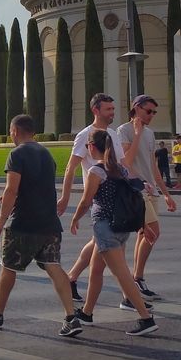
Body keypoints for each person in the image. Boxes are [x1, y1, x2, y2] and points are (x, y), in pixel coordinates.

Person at [0, 115, 82, 337]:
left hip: (24, 223)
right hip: (50, 223)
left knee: (9, 266)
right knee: (53, 266)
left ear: (14, 131)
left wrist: (0, 222)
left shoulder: (17, 154)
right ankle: (71, 317)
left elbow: (11, 189)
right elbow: (36, 187)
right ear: (33, 131)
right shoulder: (46, 154)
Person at [69, 128, 158, 336]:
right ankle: (87, 313)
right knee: (96, 270)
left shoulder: (96, 171)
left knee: (122, 274)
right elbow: (134, 198)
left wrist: (75, 218)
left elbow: (86, 201)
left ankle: (146, 318)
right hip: (121, 226)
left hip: (104, 226)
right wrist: (144, 225)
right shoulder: (120, 169)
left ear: (91, 147)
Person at [56, 93, 121, 304]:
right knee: (110, 247)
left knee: (99, 244)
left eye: (113, 109)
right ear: (95, 110)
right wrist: (65, 197)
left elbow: (121, 165)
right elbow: (71, 167)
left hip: (117, 197)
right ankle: (129, 294)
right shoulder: (86, 135)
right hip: (99, 199)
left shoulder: (113, 133)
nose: (112, 113)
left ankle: (71, 278)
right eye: (108, 109)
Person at [115, 95, 177, 303]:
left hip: (151, 190)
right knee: (153, 233)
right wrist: (137, 134)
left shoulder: (150, 134)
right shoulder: (124, 131)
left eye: (154, 112)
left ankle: (137, 279)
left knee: (145, 235)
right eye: (148, 111)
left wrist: (166, 194)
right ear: (136, 109)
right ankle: (137, 279)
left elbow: (153, 167)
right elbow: (127, 162)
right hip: (136, 189)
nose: (151, 115)